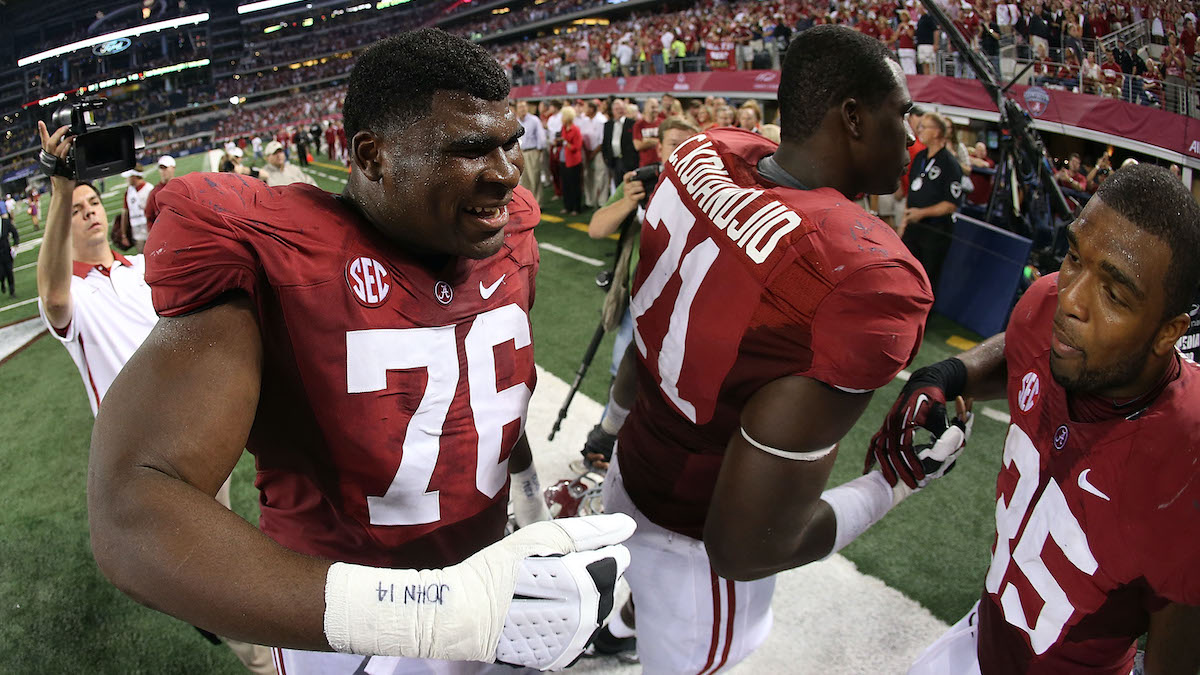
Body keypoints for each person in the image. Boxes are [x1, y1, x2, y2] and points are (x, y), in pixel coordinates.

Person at [86, 29, 631, 675]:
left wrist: (530, 501)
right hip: (340, 624)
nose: (507, 172)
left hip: (486, 586)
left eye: (510, 142)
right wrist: (428, 611)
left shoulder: (506, 237)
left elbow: (485, 405)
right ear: (373, 156)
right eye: (471, 148)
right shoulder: (274, 255)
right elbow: (132, 509)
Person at [600, 26, 934, 673]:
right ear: (855, 118)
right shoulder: (863, 275)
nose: (913, 136)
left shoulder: (703, 153)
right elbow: (748, 545)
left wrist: (609, 430)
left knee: (636, 602)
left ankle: (619, 626)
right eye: (904, 113)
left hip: (631, 470)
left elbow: (647, 334)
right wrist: (893, 482)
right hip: (696, 548)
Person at [868, 163, 1200, 674]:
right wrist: (951, 372)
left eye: (1113, 294)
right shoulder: (1048, 302)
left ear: (1167, 332)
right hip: (982, 634)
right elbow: (1022, 345)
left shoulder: (1186, 458)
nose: (1071, 297)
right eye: (1073, 257)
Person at [35, 123, 277, 675]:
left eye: (93, 202)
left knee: (252, 544)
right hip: (155, 464)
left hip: (208, 431)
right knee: (225, 581)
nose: (89, 212)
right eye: (75, 210)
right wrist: (58, 191)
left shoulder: (142, 269)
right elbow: (50, 293)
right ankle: (267, 659)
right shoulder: (73, 296)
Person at [902, 112, 965, 292]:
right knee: (906, 271)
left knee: (927, 277)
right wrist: (905, 221)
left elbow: (951, 204)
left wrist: (921, 213)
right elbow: (913, 190)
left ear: (937, 132)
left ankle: (923, 317)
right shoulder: (920, 157)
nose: (919, 130)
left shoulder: (950, 164)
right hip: (913, 227)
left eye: (924, 127)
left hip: (935, 231)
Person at [602, 98, 638, 189]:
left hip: (629, 161)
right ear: (612, 111)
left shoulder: (632, 123)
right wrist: (606, 158)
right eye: (616, 109)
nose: (619, 111)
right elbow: (605, 142)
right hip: (614, 160)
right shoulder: (608, 125)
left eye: (621, 109)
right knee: (618, 186)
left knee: (630, 184)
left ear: (625, 110)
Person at [516, 100, 546, 205]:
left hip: (533, 152)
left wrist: (539, 150)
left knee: (535, 179)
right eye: (520, 107)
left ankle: (538, 203)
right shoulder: (516, 121)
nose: (522, 109)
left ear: (527, 108)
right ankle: (528, 203)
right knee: (524, 179)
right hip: (521, 153)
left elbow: (541, 136)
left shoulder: (534, 120)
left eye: (524, 107)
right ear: (517, 109)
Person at [559, 105, 584, 215]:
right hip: (563, 160)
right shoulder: (563, 128)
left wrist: (566, 143)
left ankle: (576, 208)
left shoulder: (576, 129)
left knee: (575, 185)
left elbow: (577, 147)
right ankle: (567, 206)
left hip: (573, 161)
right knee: (565, 185)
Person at [121, 167, 154, 249]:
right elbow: (125, 213)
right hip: (137, 234)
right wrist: (124, 234)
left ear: (134, 176)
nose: (127, 179)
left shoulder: (149, 189)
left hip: (151, 231)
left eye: (128, 177)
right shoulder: (128, 192)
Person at [142, 155, 176, 232]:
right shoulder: (154, 192)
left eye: (165, 168)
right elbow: (149, 216)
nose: (163, 171)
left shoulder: (181, 187)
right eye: (161, 168)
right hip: (165, 233)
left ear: (173, 168)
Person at [0, 199, 17, 297]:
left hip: (6, 250)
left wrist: (15, 244)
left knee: (9, 271)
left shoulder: (5, 222)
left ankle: (12, 291)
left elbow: (14, 232)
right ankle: (2, 282)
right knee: (1, 272)